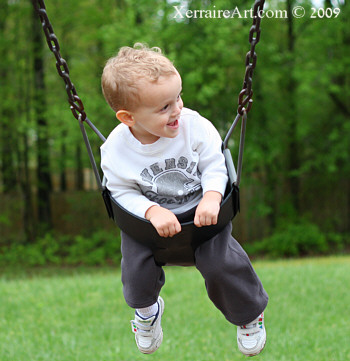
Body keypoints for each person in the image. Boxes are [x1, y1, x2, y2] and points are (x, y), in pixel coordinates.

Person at [100, 43, 268, 356]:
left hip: (202, 215)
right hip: (146, 224)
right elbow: (121, 191)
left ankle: (248, 316)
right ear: (128, 117)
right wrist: (151, 210)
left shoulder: (195, 127)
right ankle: (147, 314)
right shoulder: (115, 151)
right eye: (164, 107)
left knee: (222, 265)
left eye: (177, 97)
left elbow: (215, 165)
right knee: (136, 274)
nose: (177, 109)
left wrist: (212, 197)